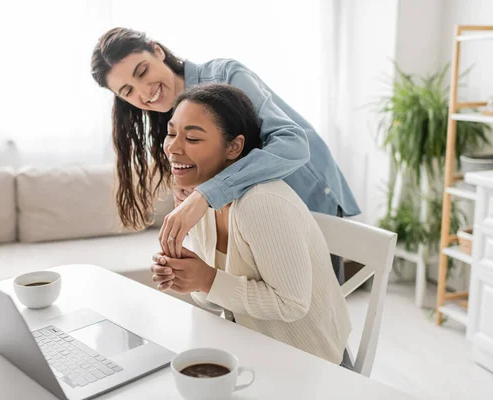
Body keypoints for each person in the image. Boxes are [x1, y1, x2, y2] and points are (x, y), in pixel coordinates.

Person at [90, 27, 360, 283]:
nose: (145, 92)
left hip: (308, 194)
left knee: (312, 309)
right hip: (256, 216)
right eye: (128, 91)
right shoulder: (169, 116)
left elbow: (293, 144)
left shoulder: (226, 75)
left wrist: (206, 193)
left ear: (157, 51)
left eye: (143, 71)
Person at [149, 83, 351, 365]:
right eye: (171, 133)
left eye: (192, 139)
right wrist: (189, 275)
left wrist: (207, 279)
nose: (172, 147)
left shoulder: (261, 202)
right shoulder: (201, 202)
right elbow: (217, 300)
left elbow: (292, 304)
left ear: (234, 147)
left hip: (310, 365)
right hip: (250, 351)